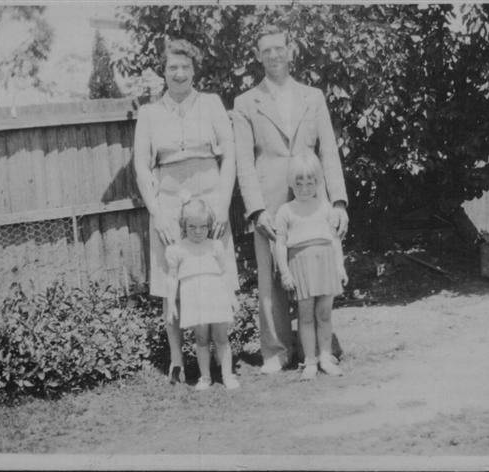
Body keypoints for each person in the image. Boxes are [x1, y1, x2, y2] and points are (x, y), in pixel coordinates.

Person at [232, 25, 349, 373]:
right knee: (271, 273)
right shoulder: (245, 102)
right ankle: (277, 350)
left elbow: (329, 150)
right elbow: (243, 161)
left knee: (317, 269)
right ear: (257, 56)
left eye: (279, 48)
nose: (273, 55)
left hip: (312, 198)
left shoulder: (313, 97)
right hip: (268, 199)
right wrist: (255, 208)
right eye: (266, 50)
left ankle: (320, 349)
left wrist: (339, 201)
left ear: (290, 50)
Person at [133, 39, 238, 384]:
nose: (179, 74)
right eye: (172, 67)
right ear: (163, 71)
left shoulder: (210, 104)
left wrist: (222, 204)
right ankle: (178, 360)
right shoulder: (149, 113)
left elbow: (230, 157)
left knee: (214, 273)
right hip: (167, 203)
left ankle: (221, 357)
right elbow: (141, 167)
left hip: (209, 201)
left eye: (185, 67)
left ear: (195, 71)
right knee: (170, 282)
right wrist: (157, 213)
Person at [274, 154, 348, 380]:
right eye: (299, 183)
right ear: (290, 183)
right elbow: (280, 243)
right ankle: (310, 361)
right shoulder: (286, 211)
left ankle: (326, 357)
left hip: (325, 264)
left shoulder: (325, 207)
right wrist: (285, 271)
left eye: (310, 183)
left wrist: (340, 266)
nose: (305, 188)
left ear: (318, 182)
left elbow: (334, 240)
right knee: (305, 316)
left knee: (324, 314)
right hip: (301, 266)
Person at [165, 197, 240, 390]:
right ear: (183, 225)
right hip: (194, 299)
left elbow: (225, 273)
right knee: (201, 339)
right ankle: (205, 377)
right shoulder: (178, 250)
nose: (198, 232)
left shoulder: (215, 246)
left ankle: (227, 375)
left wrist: (231, 297)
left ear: (209, 225)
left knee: (221, 338)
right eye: (192, 227)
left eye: (203, 226)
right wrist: (172, 303)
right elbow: (172, 278)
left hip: (215, 296)